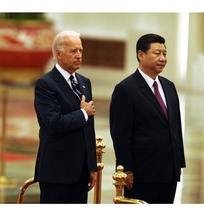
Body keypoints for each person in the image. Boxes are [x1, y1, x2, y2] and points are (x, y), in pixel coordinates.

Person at [109, 33, 186, 204]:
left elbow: (175, 127)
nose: (162, 58)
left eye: (165, 54)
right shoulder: (125, 89)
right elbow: (121, 134)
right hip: (143, 173)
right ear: (141, 55)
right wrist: (126, 169)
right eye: (157, 53)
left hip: (169, 173)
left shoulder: (169, 86)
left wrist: (178, 162)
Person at [33, 30, 97, 203]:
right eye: (73, 51)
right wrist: (83, 112)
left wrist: (91, 167)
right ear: (58, 54)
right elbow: (54, 123)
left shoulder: (84, 82)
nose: (78, 55)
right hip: (56, 172)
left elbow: (88, 128)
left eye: (80, 51)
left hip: (80, 172)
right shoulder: (46, 84)